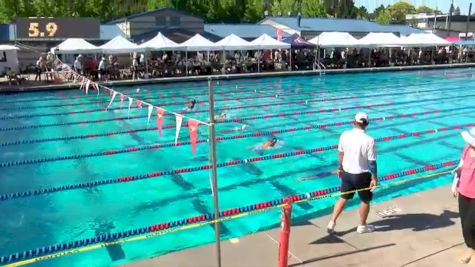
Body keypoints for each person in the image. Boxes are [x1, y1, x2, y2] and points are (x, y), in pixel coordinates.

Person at [327, 112, 377, 234]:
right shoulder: (369, 140)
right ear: (367, 124)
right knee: (365, 200)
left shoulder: (345, 135)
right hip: (361, 175)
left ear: (353, 122)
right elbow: (372, 162)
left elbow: (341, 153)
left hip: (347, 173)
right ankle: (362, 226)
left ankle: (331, 222)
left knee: (343, 197)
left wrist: (340, 168)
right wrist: (374, 178)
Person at [452, 127, 475, 264]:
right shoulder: (467, 150)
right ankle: (471, 249)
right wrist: (454, 183)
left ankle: (474, 250)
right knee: (464, 223)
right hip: (463, 190)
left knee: (471, 225)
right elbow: (460, 166)